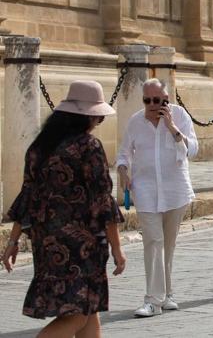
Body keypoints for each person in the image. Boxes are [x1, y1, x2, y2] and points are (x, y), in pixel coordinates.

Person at [1, 81, 126, 336]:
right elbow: (102, 200)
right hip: (82, 244)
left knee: (88, 309)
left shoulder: (39, 148)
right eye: (97, 118)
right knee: (78, 314)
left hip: (46, 242)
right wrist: (117, 247)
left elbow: (27, 196)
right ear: (85, 118)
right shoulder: (88, 147)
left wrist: (12, 242)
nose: (97, 122)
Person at [117, 79, 199, 315]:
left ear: (167, 99)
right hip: (145, 190)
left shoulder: (180, 116)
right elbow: (124, 153)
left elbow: (192, 149)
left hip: (175, 190)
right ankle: (153, 300)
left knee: (168, 244)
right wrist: (123, 170)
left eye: (158, 100)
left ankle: (167, 294)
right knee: (153, 240)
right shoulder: (135, 121)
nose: (152, 105)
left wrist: (172, 127)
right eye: (148, 100)